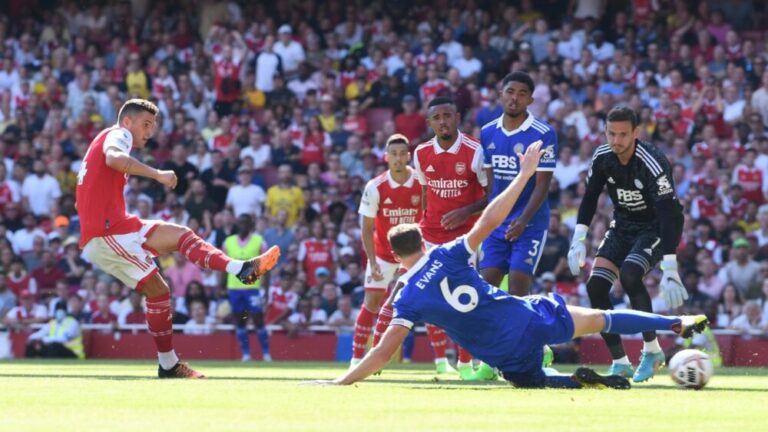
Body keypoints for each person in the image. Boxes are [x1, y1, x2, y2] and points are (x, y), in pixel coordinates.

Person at [311, 142, 708, 388]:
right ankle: (674, 323)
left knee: (527, 378)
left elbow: (382, 354)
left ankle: (571, 383)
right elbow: (491, 219)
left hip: (504, 351)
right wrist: (522, 177)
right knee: (602, 317)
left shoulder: (408, 297)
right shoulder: (448, 252)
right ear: (422, 239)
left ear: (398, 256)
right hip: (529, 314)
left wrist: (341, 379)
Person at [75, 99, 280, 378]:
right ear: (127, 122)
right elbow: (113, 157)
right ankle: (169, 365)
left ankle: (240, 268)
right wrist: (156, 174)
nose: (149, 132)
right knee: (159, 291)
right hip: (106, 232)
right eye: (145, 124)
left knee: (181, 236)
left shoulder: (100, 140)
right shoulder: (118, 135)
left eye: (153, 126)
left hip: (118, 226)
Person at [567, 106, 686, 382]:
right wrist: (578, 239)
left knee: (631, 276)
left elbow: (669, 214)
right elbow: (590, 197)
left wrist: (670, 267)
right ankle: (620, 362)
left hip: (655, 226)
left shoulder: (652, 162)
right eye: (611, 133)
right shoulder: (602, 157)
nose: (616, 140)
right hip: (622, 225)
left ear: (636, 133)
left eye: (623, 134)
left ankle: (653, 350)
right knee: (596, 286)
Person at [411, 96, 490, 377]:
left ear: (457, 118)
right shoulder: (420, 153)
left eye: (447, 115)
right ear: (430, 122)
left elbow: (491, 194)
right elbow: (424, 192)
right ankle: (442, 361)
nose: (443, 121)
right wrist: (423, 223)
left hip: (466, 237)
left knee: (466, 298)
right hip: (431, 235)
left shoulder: (474, 150)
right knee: (433, 298)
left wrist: (466, 211)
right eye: (437, 117)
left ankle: (467, 364)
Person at [479, 71, 557, 297]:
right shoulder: (487, 132)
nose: (515, 98)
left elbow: (543, 185)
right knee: (486, 289)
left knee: (517, 290)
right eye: (510, 91)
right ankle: (490, 334)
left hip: (529, 224)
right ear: (500, 94)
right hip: (497, 224)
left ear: (530, 101)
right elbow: (491, 184)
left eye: (522, 94)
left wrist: (523, 220)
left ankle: (520, 333)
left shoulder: (544, 133)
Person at [351, 134, 422, 366]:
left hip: (412, 255)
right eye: (394, 154)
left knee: (414, 302)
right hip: (383, 253)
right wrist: (372, 262)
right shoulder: (375, 186)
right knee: (371, 302)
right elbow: (367, 227)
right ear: (386, 157)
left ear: (408, 156)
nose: (398, 158)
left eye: (403, 154)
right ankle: (355, 360)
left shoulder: (421, 182)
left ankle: (442, 360)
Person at [223, 214, 272, 362]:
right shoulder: (228, 242)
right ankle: (246, 354)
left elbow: (267, 264)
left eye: (246, 223)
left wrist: (267, 289)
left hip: (253, 286)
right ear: (237, 224)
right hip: (234, 287)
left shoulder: (259, 241)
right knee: (240, 320)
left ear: (251, 225)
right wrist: (220, 285)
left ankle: (266, 354)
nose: (243, 225)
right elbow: (223, 264)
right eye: (241, 222)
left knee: (258, 319)